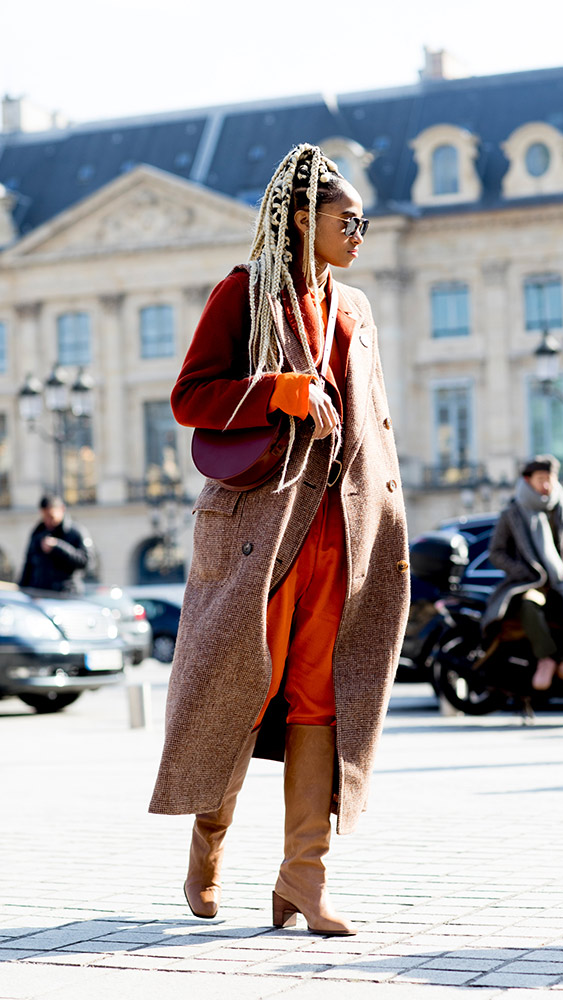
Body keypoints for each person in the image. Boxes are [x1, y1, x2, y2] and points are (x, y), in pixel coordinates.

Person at [148, 144, 410, 935]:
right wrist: (282, 390)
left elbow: (373, 423)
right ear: (302, 221)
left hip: (341, 526)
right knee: (239, 689)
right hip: (260, 529)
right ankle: (208, 849)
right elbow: (191, 396)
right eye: (347, 219)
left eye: (362, 221)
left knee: (323, 701)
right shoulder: (243, 292)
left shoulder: (356, 306)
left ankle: (303, 879)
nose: (359, 232)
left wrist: (389, 519)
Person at [483, 455, 563, 691]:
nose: (546, 484)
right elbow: (497, 552)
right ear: (528, 480)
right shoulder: (512, 513)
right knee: (529, 603)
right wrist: (524, 572)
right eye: (541, 479)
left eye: (550, 479)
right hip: (529, 583)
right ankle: (547, 659)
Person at [19, 494, 90, 593]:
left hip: (66, 594)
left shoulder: (75, 532)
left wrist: (58, 548)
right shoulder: (38, 533)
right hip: (40, 595)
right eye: (45, 517)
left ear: (62, 509)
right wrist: (22, 588)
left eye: (51, 517)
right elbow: (28, 564)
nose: (48, 522)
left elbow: (85, 561)